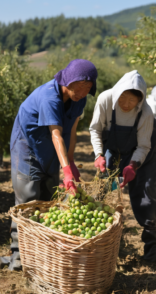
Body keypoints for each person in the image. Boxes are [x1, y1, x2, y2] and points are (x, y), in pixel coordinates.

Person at [8, 59, 98, 270]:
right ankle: (17, 257)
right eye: (80, 86)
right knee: (27, 201)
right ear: (68, 80)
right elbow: (56, 133)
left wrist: (71, 161)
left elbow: (71, 130)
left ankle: (40, 253)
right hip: (27, 146)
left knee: (48, 198)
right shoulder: (49, 96)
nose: (83, 91)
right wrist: (66, 170)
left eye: (88, 88)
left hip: (50, 149)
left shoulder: (79, 100)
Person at [90, 70, 156, 262]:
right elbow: (96, 129)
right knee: (101, 190)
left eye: (132, 101)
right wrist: (98, 155)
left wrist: (133, 165)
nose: (126, 104)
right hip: (113, 150)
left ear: (139, 101)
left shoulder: (145, 112)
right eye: (123, 98)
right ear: (117, 93)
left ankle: (153, 244)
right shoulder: (105, 100)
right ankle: (100, 238)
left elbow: (143, 145)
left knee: (147, 194)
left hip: (142, 154)